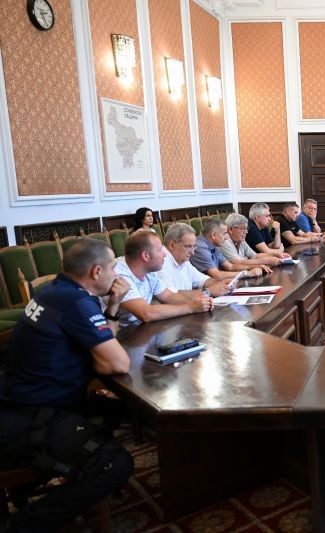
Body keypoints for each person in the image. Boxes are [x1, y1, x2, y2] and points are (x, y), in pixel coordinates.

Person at [0, 239, 133, 531]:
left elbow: (105, 347)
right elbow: (117, 363)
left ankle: (37, 479)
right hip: (31, 419)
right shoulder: (76, 302)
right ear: (97, 271)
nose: (116, 273)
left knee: (118, 409)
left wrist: (113, 304)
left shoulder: (56, 291)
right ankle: (21, 526)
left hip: (21, 401)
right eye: (113, 267)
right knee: (115, 464)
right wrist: (103, 358)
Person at [115, 231, 214, 324]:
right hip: (122, 333)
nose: (165, 254)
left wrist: (199, 303)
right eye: (159, 250)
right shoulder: (120, 275)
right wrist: (191, 307)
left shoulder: (149, 271)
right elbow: (146, 313)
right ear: (145, 256)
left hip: (142, 329)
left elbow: (169, 296)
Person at [157, 223, 231, 296]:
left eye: (194, 246)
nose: (192, 252)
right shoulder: (160, 263)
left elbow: (202, 280)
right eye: (188, 246)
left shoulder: (183, 260)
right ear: (172, 245)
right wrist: (209, 291)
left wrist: (221, 284)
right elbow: (170, 295)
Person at [190, 219, 267, 279]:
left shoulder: (213, 245)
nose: (227, 237)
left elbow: (231, 267)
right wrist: (247, 273)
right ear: (213, 235)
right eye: (224, 233)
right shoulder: (200, 247)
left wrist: (254, 267)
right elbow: (217, 275)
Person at [219, 214, 291, 268]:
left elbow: (255, 256)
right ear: (230, 229)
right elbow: (237, 262)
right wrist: (268, 260)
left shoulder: (240, 240)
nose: (246, 232)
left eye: (247, 228)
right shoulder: (225, 241)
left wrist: (276, 254)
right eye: (242, 229)